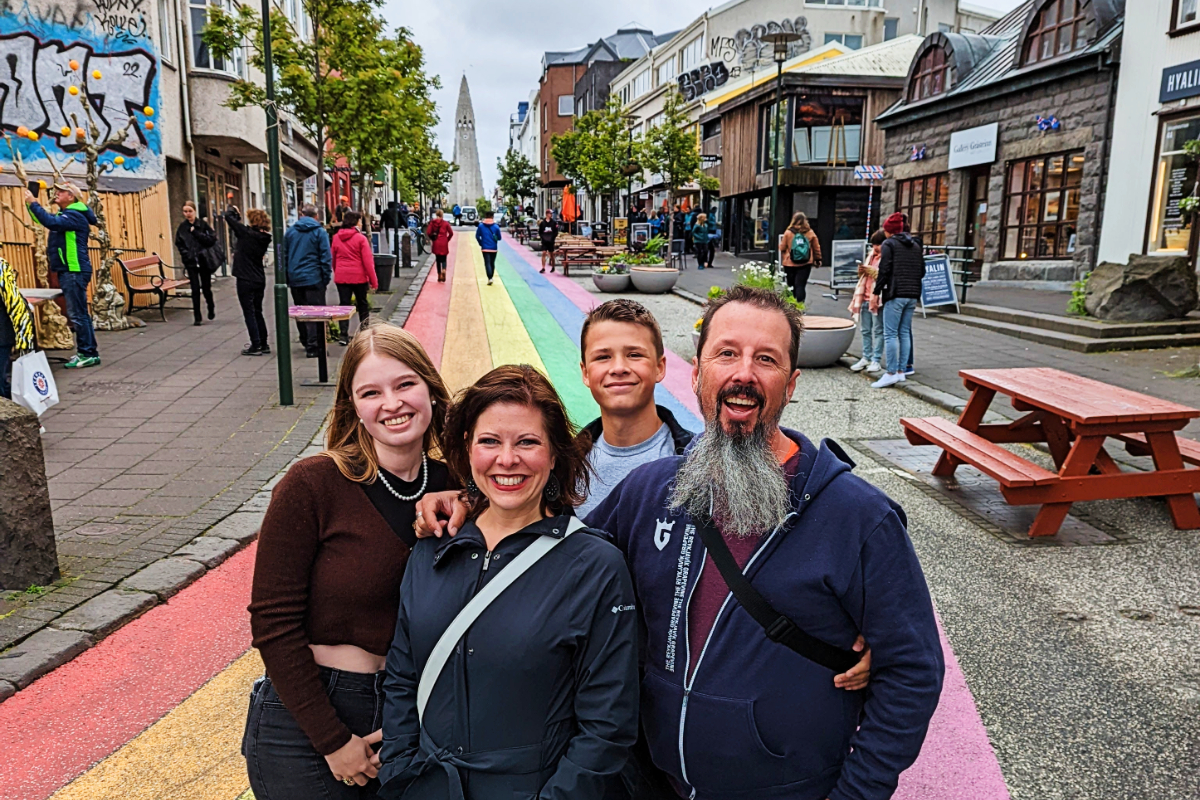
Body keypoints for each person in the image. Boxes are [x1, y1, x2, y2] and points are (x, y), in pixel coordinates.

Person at [417, 288, 933, 800]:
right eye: (726, 353)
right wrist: (474, 504)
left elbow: (912, 671)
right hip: (656, 778)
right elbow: (556, 560)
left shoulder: (857, 516)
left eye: (767, 359)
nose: (744, 374)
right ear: (697, 373)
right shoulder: (649, 490)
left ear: (792, 383)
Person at [376, 364, 639, 800]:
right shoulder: (433, 546)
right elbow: (403, 677)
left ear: (555, 454)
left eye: (528, 442)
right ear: (468, 447)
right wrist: (400, 775)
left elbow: (607, 723)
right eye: (490, 441)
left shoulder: (594, 566)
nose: (507, 459)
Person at [245, 324, 454, 799]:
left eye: (405, 385)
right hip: (311, 716)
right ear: (354, 407)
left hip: (412, 712)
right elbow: (273, 622)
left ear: (431, 390)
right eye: (371, 392)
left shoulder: (456, 486)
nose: (392, 403)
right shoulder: (313, 485)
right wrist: (332, 740)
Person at [575, 299, 693, 518]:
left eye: (634, 355)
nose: (619, 368)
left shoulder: (697, 464)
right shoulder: (565, 467)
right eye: (603, 357)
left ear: (660, 367)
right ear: (585, 373)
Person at [24, 182, 99, 369]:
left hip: (74, 270)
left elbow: (51, 222)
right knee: (80, 313)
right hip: (70, 269)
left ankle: (88, 353)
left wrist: (34, 203)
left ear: (71, 197)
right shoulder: (69, 214)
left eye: (61, 191)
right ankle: (87, 352)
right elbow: (46, 220)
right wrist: (30, 203)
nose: (56, 193)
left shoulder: (75, 216)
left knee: (77, 314)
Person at [872, 212, 925, 389]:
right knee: (904, 332)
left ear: (890, 231)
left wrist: (876, 291)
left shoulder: (890, 244)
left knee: (890, 333)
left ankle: (891, 372)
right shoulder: (916, 245)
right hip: (913, 294)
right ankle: (902, 371)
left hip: (895, 293)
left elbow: (884, 270)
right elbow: (922, 271)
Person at [285, 203, 333, 356]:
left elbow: (284, 256)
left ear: (301, 214)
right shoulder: (320, 232)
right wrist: (325, 277)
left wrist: (288, 276)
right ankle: (314, 346)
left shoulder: (291, 232)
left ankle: (305, 340)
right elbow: (325, 256)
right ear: (316, 216)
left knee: (301, 311)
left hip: (296, 277)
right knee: (316, 313)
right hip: (314, 277)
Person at [224, 206, 272, 356]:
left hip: (245, 277)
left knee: (249, 312)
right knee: (258, 311)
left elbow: (228, 217)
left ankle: (255, 344)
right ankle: (264, 343)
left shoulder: (246, 234)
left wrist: (234, 211)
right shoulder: (264, 237)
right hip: (259, 278)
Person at [332, 211, 378, 346]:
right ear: (355, 222)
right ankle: (364, 332)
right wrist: (374, 281)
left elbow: (333, 259)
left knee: (343, 306)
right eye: (360, 221)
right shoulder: (360, 239)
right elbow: (368, 262)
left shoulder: (336, 238)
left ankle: (343, 335)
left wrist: (338, 272)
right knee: (362, 304)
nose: (362, 223)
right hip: (359, 277)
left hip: (342, 277)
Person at [174, 200, 218, 327]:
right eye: (185, 211)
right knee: (194, 289)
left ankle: (211, 306)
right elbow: (179, 243)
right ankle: (197, 317)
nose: (188, 214)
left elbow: (211, 240)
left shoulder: (203, 225)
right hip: (191, 262)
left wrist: (196, 233)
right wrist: (186, 255)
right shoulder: (182, 227)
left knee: (206, 288)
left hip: (204, 261)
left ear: (195, 212)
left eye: (190, 211)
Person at [849, 229, 886, 375]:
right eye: (873, 244)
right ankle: (866, 357)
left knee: (878, 330)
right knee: (865, 330)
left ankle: (875, 359)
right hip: (864, 296)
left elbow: (883, 276)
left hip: (876, 297)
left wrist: (871, 271)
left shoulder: (886, 257)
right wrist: (862, 270)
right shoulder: (871, 256)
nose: (875, 248)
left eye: (878, 244)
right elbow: (864, 277)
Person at [0, 256, 35, 399]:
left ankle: (17, 415)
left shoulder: (0, 267)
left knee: (1, 386)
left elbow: (16, 304)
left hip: (1, 335)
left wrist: (24, 340)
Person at [779, 211, 821, 305]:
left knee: (791, 285)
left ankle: (790, 306)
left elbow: (782, 247)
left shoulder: (788, 233)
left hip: (789, 263)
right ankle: (800, 307)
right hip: (805, 263)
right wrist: (818, 259)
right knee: (800, 285)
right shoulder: (810, 233)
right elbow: (816, 247)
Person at [425, 209, 454, 284]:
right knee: (444, 258)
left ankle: (439, 275)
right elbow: (451, 233)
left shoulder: (432, 223)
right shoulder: (445, 223)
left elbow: (428, 232)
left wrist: (432, 238)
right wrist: (447, 239)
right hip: (444, 241)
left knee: (437, 259)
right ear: (442, 215)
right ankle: (444, 269)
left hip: (436, 242)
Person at [475, 211, 502, 286]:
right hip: (494, 248)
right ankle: (491, 276)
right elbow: (499, 238)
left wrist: (481, 243)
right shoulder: (496, 227)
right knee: (492, 263)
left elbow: (477, 236)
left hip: (485, 248)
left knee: (487, 263)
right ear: (492, 217)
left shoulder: (481, 226)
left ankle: (489, 277)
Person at [537, 209, 558, 274]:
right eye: (550, 213)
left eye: (551, 214)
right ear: (547, 214)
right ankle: (543, 267)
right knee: (544, 253)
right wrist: (542, 238)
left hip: (551, 241)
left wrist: (553, 238)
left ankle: (553, 266)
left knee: (551, 254)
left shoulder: (554, 222)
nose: (551, 215)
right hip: (544, 241)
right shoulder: (542, 223)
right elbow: (540, 232)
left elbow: (556, 231)